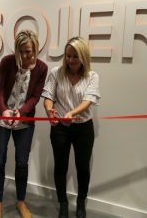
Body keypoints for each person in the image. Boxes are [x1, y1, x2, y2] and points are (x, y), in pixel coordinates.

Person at [0, 30, 48, 218]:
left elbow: (35, 97)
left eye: (29, 52)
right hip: (1, 119)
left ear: (36, 50)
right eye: (21, 51)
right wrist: (4, 109)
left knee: (22, 163)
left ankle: (20, 201)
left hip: (25, 122)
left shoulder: (42, 68)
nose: (25, 56)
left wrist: (20, 112)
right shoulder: (7, 61)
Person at [42, 37, 101, 218]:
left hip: (83, 128)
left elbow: (88, 100)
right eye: (68, 55)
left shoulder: (92, 76)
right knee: (60, 165)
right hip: (60, 127)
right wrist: (49, 111)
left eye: (75, 56)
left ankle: (81, 202)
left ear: (83, 56)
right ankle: (63, 203)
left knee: (83, 166)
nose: (71, 60)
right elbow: (48, 96)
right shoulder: (56, 72)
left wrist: (73, 113)